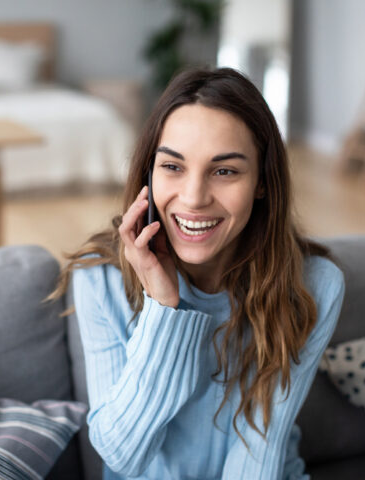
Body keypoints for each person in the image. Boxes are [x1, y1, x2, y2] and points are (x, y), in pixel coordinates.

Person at [50, 67, 345, 479]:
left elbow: (260, 446)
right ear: (149, 174)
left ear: (262, 181)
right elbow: (122, 455)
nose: (193, 198)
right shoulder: (100, 280)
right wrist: (163, 308)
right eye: (173, 166)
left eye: (225, 171)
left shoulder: (313, 286)